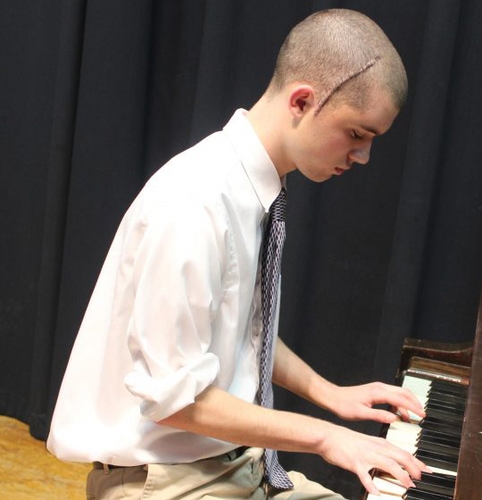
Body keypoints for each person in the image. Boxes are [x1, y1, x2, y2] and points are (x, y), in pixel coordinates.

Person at [48, 9, 426, 500]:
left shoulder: (253, 188)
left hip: (234, 466)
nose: (362, 157)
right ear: (303, 100)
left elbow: (246, 332)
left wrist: (330, 395)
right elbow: (173, 400)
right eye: (357, 133)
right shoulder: (196, 200)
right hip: (163, 482)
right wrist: (325, 436)